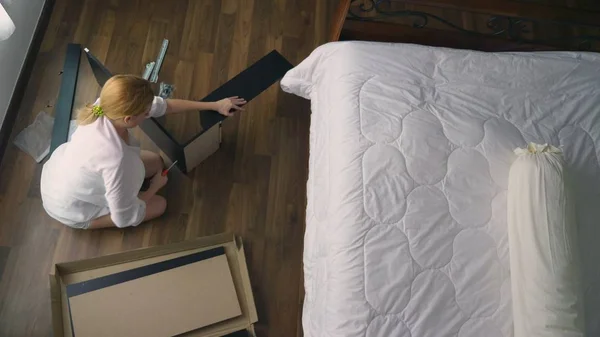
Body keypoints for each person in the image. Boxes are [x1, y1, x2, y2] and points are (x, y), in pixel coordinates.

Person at [40, 74, 246, 230]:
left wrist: (214, 105)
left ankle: (133, 191)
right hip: (69, 205)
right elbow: (122, 218)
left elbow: (167, 106)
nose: (150, 112)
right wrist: (153, 188)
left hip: (68, 173)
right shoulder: (116, 160)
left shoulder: (107, 104)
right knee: (159, 205)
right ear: (129, 119)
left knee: (156, 161)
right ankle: (89, 222)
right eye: (146, 113)